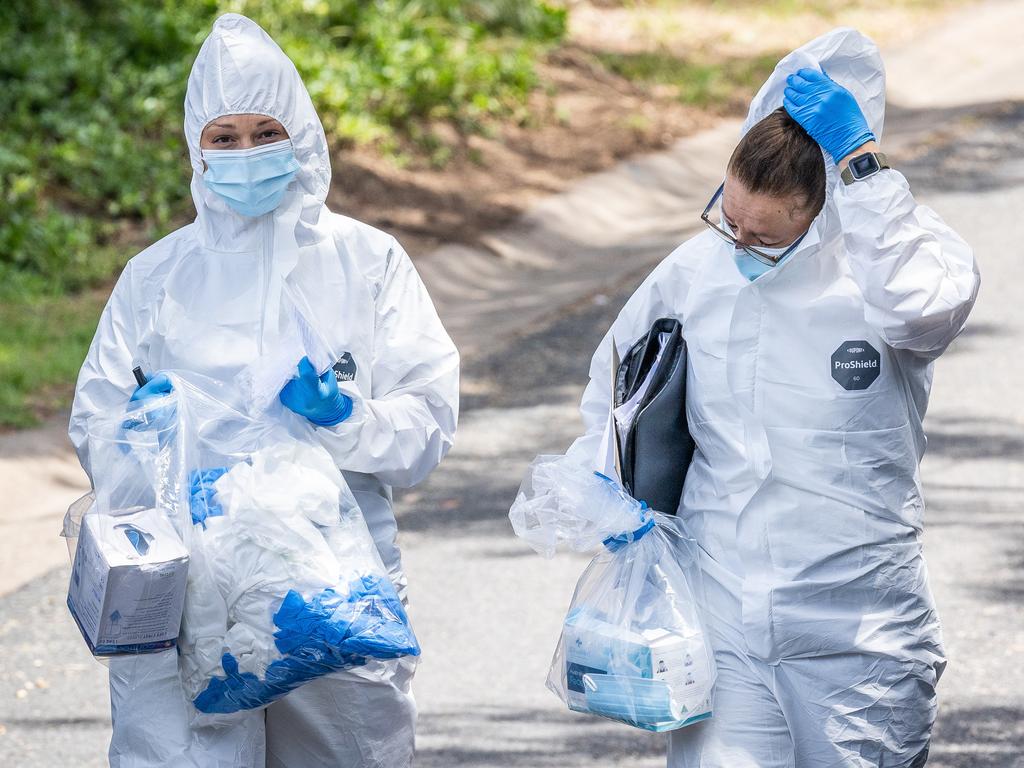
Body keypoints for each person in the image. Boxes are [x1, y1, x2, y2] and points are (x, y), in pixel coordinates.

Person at [565, 29, 979, 768]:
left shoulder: (893, 260)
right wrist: (610, 503)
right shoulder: (696, 270)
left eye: (765, 235)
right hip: (724, 608)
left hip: (858, 627)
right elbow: (617, 388)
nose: (740, 243)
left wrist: (862, 165)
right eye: (730, 219)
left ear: (820, 214)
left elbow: (924, 312)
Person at [68, 13, 459, 768]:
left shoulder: (365, 263)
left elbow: (427, 422)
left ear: (302, 133)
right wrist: (141, 442)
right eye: (225, 137)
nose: (245, 153)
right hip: (186, 589)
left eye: (263, 131)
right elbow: (96, 419)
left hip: (330, 582)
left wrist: (347, 417)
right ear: (196, 146)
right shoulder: (156, 277)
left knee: (347, 752)